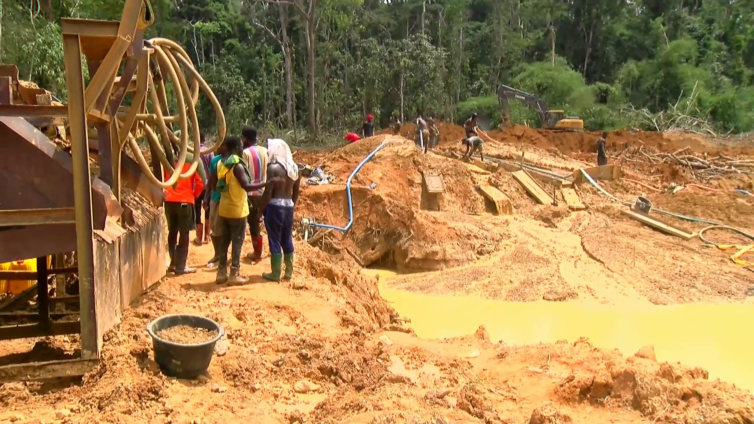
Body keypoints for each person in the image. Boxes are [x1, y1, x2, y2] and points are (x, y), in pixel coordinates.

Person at [205, 136, 269, 285]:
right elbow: (246, 186)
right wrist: (266, 183)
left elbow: (214, 186)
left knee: (224, 242)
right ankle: (234, 273)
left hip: (224, 209)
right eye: (240, 147)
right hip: (238, 211)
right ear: (234, 148)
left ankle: (221, 273)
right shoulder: (237, 166)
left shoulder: (220, 164)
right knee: (237, 242)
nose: (242, 149)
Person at [259, 138, 301, 282]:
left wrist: (260, 210)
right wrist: (291, 206)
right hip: (288, 206)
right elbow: (296, 192)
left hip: (275, 206)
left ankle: (275, 273)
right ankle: (288, 273)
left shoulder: (273, 168)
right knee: (287, 238)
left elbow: (268, 192)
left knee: (274, 239)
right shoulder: (294, 168)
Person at [164, 158, 205, 275]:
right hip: (185, 202)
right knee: (184, 233)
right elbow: (201, 183)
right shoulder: (192, 162)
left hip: (169, 201)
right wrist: (193, 196)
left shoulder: (168, 161)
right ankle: (180, 266)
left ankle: (173, 263)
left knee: (172, 231)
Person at [241, 127, 268, 262]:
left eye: (242, 138)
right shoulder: (265, 151)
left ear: (246, 138)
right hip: (263, 193)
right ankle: (258, 251)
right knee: (257, 221)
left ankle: (257, 253)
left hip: (250, 193)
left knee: (252, 223)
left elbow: (243, 174)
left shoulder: (245, 153)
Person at [204, 140, 229, 269]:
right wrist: (206, 197)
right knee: (215, 226)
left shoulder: (233, 160)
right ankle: (217, 254)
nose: (217, 147)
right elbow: (210, 180)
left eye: (220, 144)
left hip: (227, 199)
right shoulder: (215, 160)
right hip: (216, 197)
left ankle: (223, 255)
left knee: (227, 228)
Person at [193, 135, 214, 246]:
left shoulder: (194, 152)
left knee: (197, 210)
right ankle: (207, 236)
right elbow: (212, 168)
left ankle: (199, 237)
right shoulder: (210, 152)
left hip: (197, 185)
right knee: (208, 210)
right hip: (208, 185)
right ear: (204, 139)